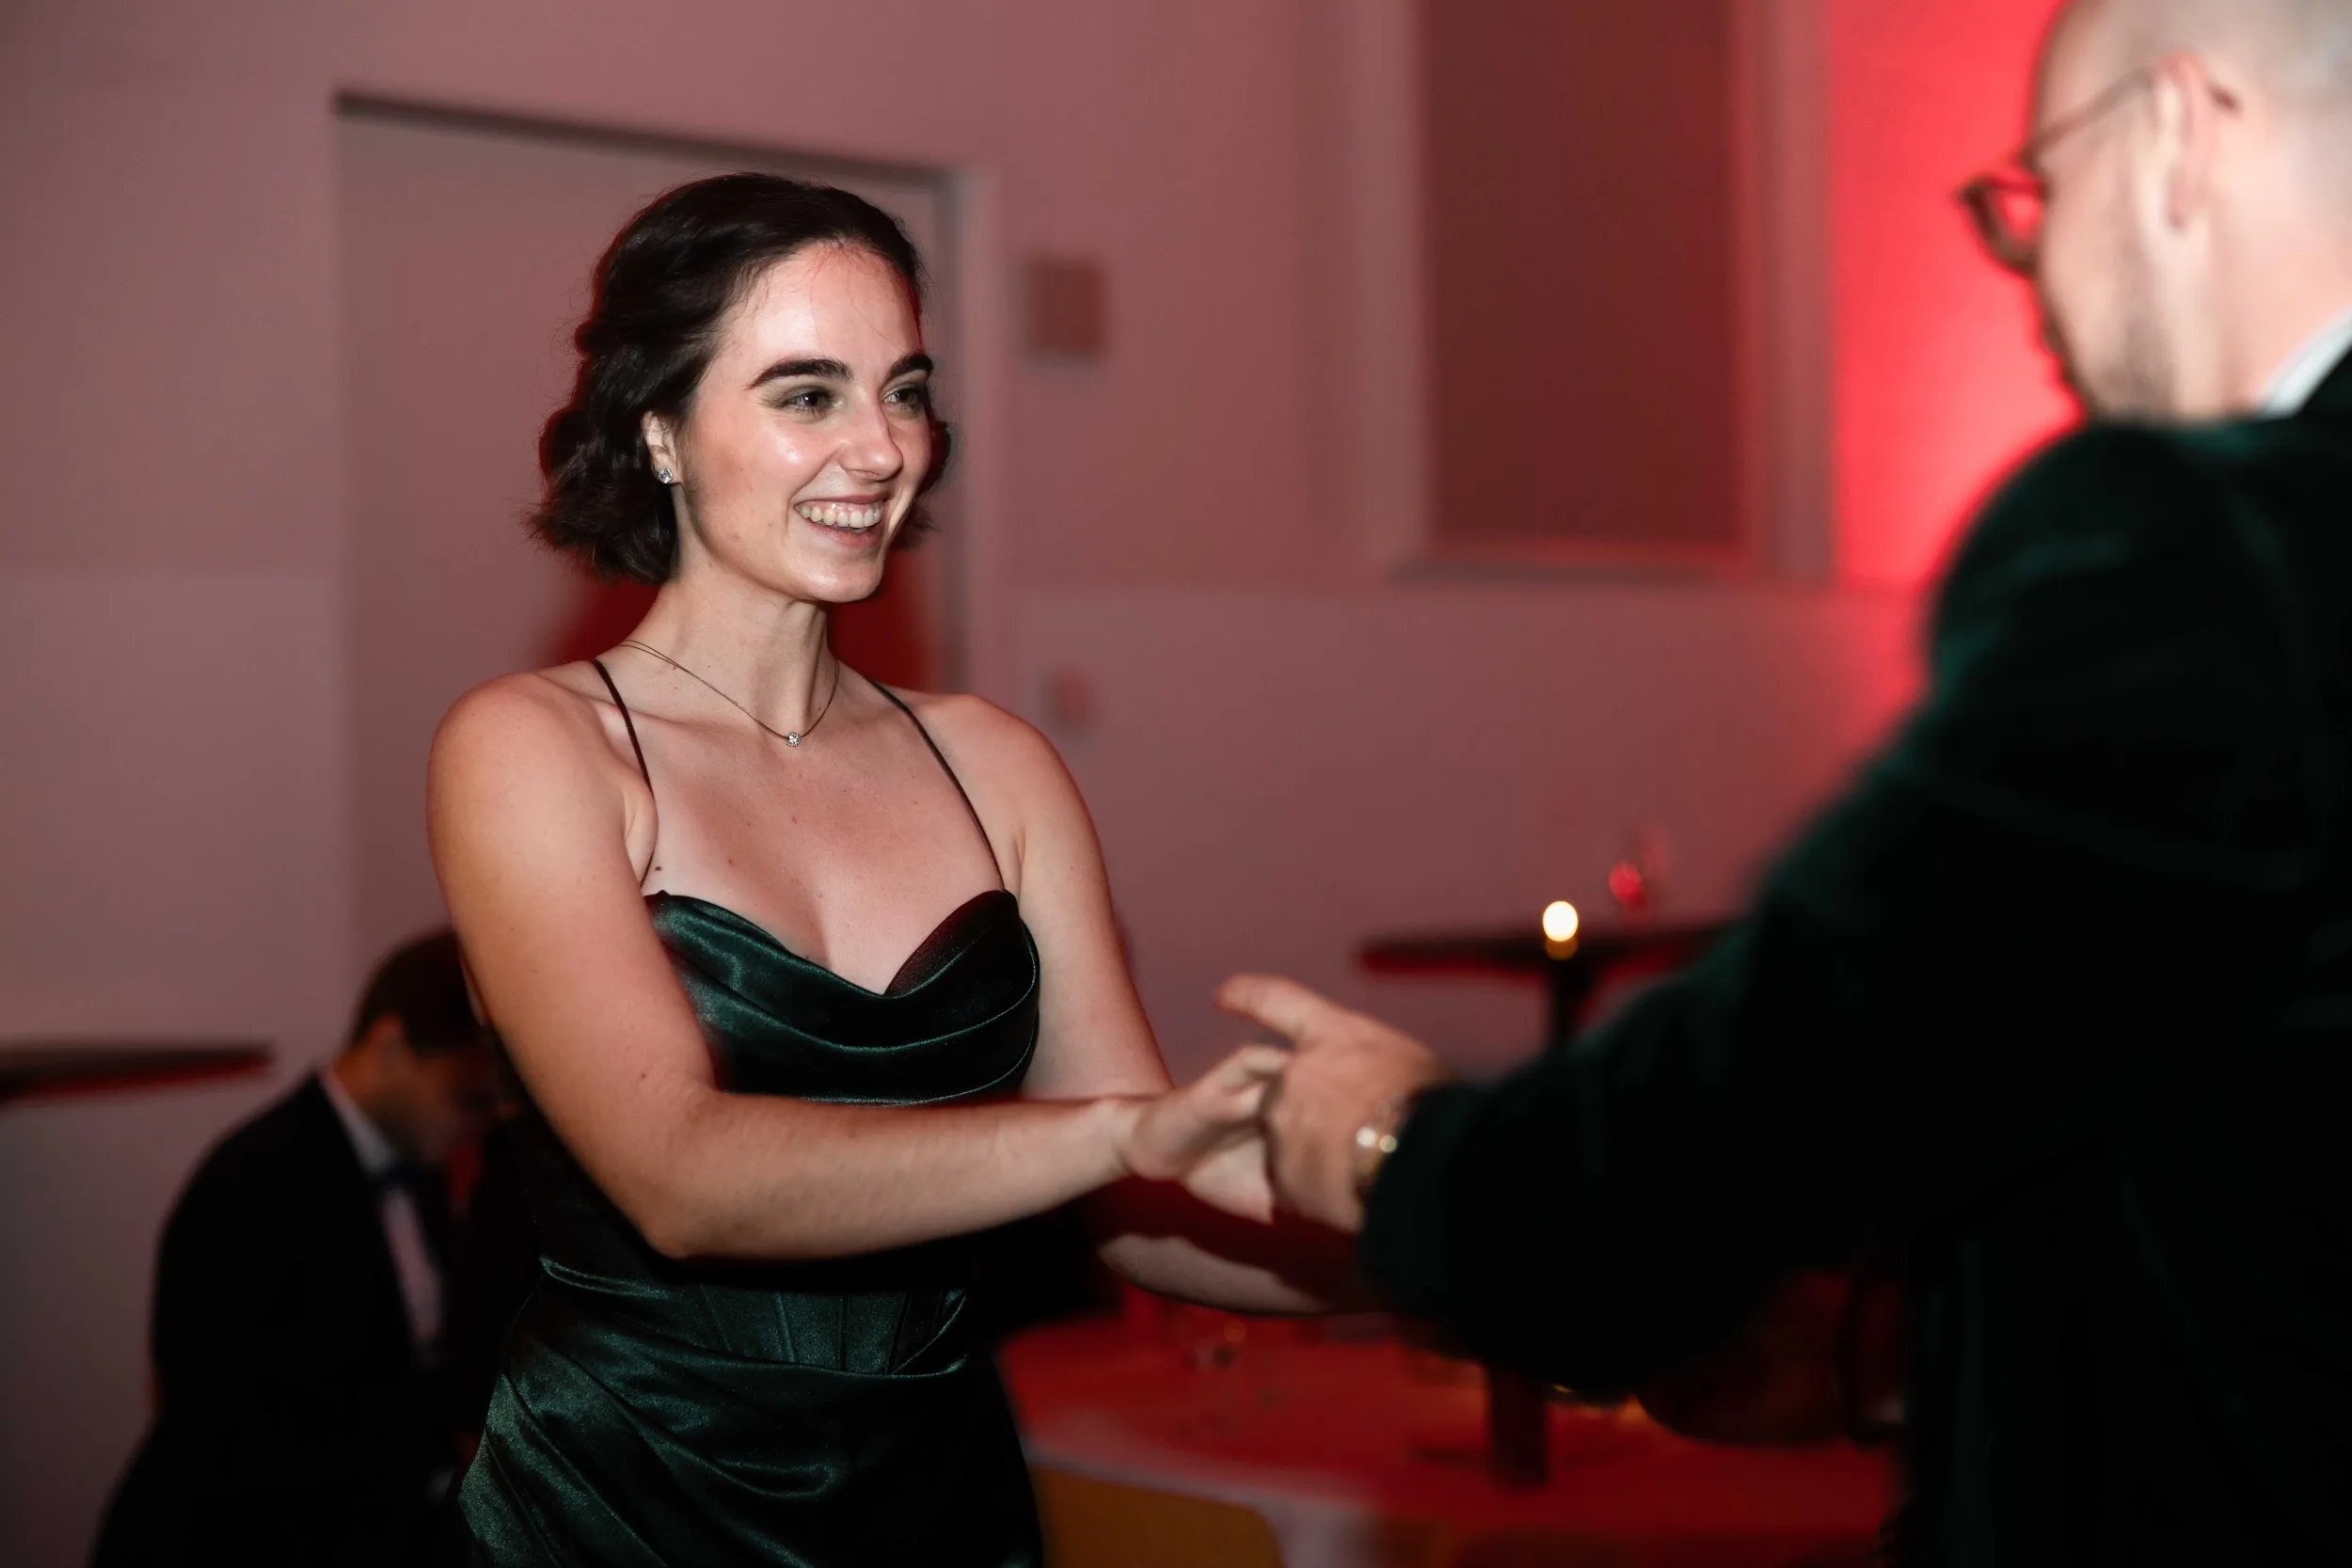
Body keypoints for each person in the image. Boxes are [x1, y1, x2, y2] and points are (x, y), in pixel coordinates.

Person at [1223, 0, 2352, 1561]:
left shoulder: (2208, 547)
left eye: (2036, 190)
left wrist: (1391, 1150)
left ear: (2173, 135)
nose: (2027, 275)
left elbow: (1765, 1107)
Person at [426, 174, 1329, 1567]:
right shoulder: (534, 747)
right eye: (808, 394)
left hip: (939, 1501)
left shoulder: (996, 765)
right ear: (660, 429)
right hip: (626, 1508)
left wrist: (1453, 1256)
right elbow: (682, 1175)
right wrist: (1115, 1133)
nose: (881, 447)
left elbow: (1143, 1216)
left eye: (902, 391)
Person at [92, 932, 500, 1568]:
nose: (476, 1126)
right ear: (390, 1047)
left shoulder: (419, 1167)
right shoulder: (251, 1183)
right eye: (466, 1099)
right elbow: (229, 1425)